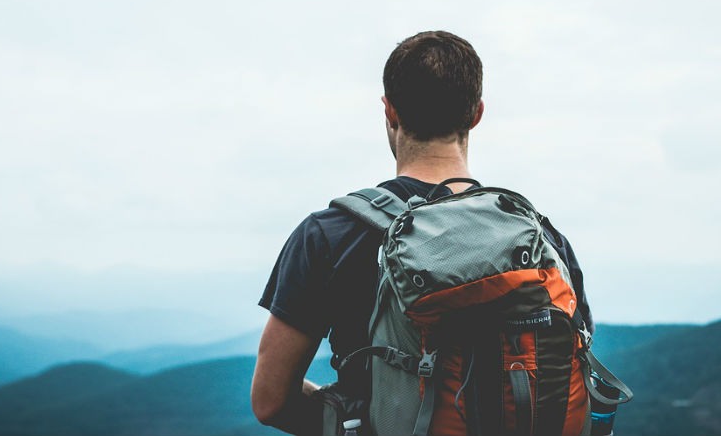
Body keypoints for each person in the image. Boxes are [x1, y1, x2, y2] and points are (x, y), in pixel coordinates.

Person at [251, 30, 593, 435]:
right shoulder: (541, 239)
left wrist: (351, 420)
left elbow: (271, 401)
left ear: (389, 111)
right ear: (477, 113)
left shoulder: (328, 236)